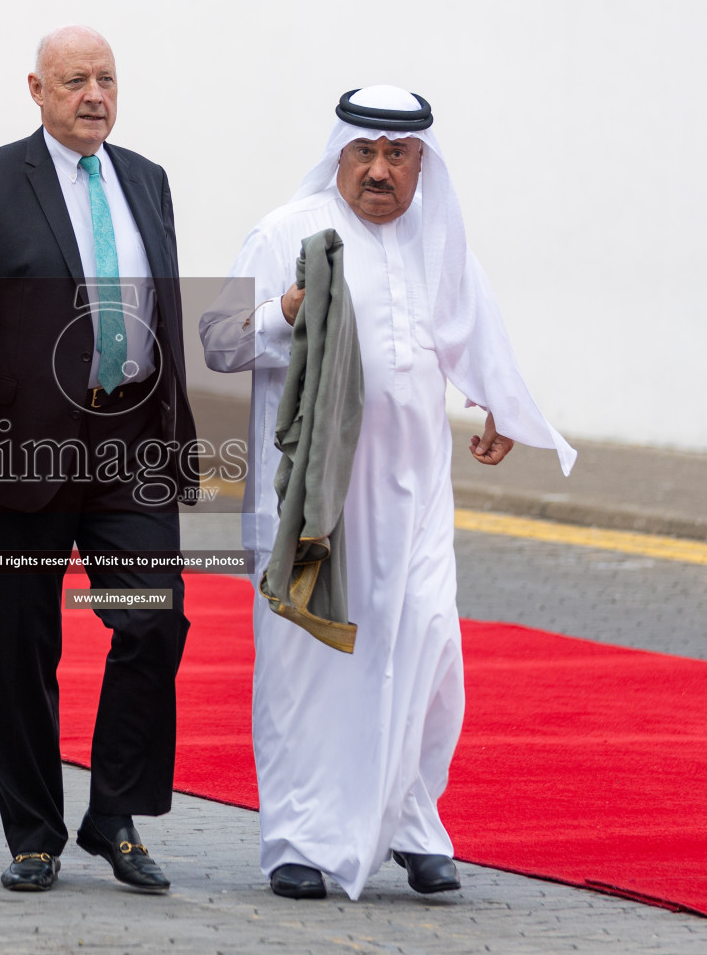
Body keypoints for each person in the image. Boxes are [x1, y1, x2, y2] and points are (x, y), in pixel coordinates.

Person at [199, 86, 575, 901]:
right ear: (339, 152)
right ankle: (297, 838)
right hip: (316, 502)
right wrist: (282, 311)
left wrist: (496, 405)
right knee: (311, 662)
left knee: (427, 646)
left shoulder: (438, 239)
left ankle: (412, 820)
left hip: (417, 497)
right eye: (364, 153)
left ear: (419, 163)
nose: (379, 171)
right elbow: (216, 343)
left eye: (397, 156)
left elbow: (473, 332)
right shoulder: (285, 232)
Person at [0, 26, 198, 893]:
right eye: (75, 80)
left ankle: (113, 815)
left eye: (107, 79)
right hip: (18, 452)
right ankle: (34, 833)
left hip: (130, 444)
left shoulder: (146, 179)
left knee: (155, 620)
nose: (94, 95)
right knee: (21, 645)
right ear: (36, 89)